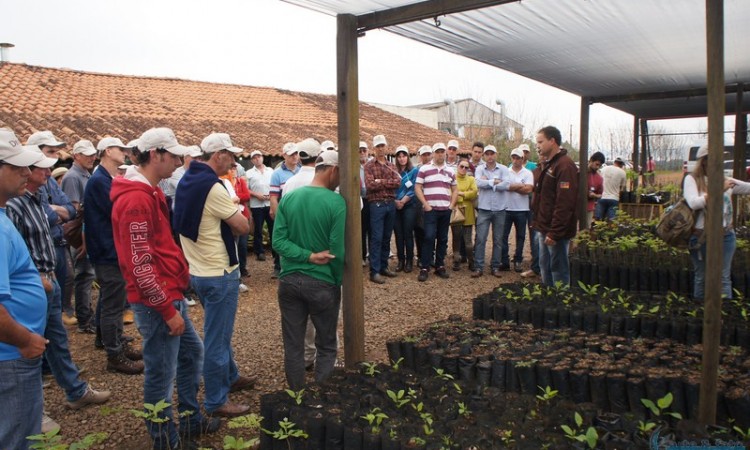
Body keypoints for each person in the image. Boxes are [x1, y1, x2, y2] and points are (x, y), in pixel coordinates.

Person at [111, 128, 218, 450]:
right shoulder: (135, 200)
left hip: (167, 294)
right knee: (160, 372)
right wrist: (166, 309)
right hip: (157, 301)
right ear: (155, 154)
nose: (177, 162)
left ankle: (188, 421)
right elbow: (139, 264)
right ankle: (166, 441)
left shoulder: (149, 192)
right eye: (173, 156)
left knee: (190, 354)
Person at [7, 144, 110, 432]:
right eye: (41, 168)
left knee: (55, 340)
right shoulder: (14, 205)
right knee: (28, 349)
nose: (46, 172)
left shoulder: (37, 198)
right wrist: (34, 276)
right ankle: (30, 413)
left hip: (48, 280)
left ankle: (74, 391)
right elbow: (15, 246)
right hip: (31, 283)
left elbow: (67, 213)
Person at [174, 132, 255, 418]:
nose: (233, 161)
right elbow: (243, 227)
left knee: (217, 333)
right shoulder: (214, 187)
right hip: (219, 271)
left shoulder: (187, 180)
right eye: (231, 155)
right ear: (218, 154)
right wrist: (238, 212)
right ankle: (216, 400)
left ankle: (230, 376)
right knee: (217, 340)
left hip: (197, 270)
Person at [273, 150, 345, 390]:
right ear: (333, 170)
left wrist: (304, 256)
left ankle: (297, 399)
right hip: (323, 283)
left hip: (289, 282)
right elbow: (337, 250)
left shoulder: (289, 198)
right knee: (326, 345)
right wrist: (334, 277)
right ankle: (321, 401)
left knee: (293, 346)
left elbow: (278, 242)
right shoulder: (336, 201)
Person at [0, 129, 49, 449]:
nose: (27, 173)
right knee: (18, 438)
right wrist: (26, 339)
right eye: (17, 167)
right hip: (12, 354)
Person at [85, 137, 144, 374]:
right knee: (113, 302)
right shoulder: (100, 181)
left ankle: (112, 341)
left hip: (108, 248)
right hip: (107, 250)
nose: (125, 153)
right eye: (121, 149)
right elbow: (117, 211)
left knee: (112, 299)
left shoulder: (104, 178)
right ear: (108, 151)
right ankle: (114, 354)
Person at [684, 144, 750, 300]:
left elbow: (747, 188)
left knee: (723, 278)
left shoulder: (726, 181)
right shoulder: (692, 179)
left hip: (726, 236)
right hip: (701, 237)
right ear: (705, 161)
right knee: (702, 278)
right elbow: (694, 203)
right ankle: (701, 315)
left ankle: (724, 317)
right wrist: (719, 189)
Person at [27, 132, 79, 329]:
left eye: (56, 152)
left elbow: (72, 210)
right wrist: (56, 212)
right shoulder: (26, 190)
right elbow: (46, 216)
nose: (55, 157)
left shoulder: (48, 180)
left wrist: (55, 211)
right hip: (41, 250)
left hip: (57, 243)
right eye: (50, 151)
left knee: (62, 287)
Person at [532, 126, 579, 286]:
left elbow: (565, 203)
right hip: (544, 227)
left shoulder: (565, 166)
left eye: (540, 141)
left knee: (558, 269)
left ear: (552, 141)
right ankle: (548, 299)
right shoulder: (550, 165)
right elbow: (544, 198)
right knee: (544, 266)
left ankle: (561, 303)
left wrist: (555, 232)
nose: (537, 146)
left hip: (555, 232)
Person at [61, 139, 98, 333]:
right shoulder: (73, 177)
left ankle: (86, 316)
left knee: (87, 275)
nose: (92, 157)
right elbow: (74, 212)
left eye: (93, 153)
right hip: (80, 235)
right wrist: (83, 239)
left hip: (86, 233)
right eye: (88, 154)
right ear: (76, 156)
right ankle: (84, 319)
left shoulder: (85, 174)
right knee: (84, 275)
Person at [414, 142, 458, 282]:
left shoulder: (450, 171)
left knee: (443, 239)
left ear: (445, 153)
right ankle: (425, 267)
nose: (440, 154)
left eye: (442, 151)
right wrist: (426, 205)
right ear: (433, 153)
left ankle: (440, 266)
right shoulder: (425, 169)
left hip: (445, 209)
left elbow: (455, 189)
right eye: (437, 151)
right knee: (428, 237)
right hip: (431, 210)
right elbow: (417, 187)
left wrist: (451, 206)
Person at [364, 135, 401, 284]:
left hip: (390, 204)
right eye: (378, 146)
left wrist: (381, 181)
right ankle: (375, 271)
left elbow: (398, 182)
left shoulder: (391, 165)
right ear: (374, 148)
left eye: (382, 146)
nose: (380, 149)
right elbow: (370, 185)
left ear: (386, 147)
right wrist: (387, 183)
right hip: (377, 204)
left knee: (386, 237)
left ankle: (384, 266)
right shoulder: (369, 165)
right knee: (376, 238)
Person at [472, 145, 510, 278]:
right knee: (481, 238)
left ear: (496, 154)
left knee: (498, 239)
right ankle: (478, 267)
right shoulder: (479, 168)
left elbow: (506, 185)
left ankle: (495, 266)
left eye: (492, 153)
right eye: (487, 154)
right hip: (484, 209)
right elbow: (477, 183)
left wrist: (487, 182)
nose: (489, 156)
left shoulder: (504, 169)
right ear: (484, 155)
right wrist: (494, 182)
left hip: (500, 209)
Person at [501, 147, 534, 273]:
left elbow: (528, 190)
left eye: (518, 158)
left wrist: (512, 186)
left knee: (520, 236)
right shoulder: (506, 171)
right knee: (503, 236)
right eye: (513, 157)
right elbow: (504, 186)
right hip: (507, 208)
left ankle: (518, 260)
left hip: (522, 209)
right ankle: (504, 261)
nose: (515, 160)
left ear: (522, 159)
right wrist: (521, 185)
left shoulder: (527, 173)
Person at [269, 143, 299, 278]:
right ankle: (279, 266)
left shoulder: (302, 170)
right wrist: (278, 215)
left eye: (296, 153)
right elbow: (273, 197)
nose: (295, 156)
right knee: (282, 240)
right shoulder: (277, 174)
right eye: (291, 154)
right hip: (285, 211)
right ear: (284, 155)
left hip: (300, 212)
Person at [221, 164, 252, 280]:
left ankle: (242, 268)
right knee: (234, 244)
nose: (232, 171)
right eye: (230, 168)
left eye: (234, 169)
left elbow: (247, 195)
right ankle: (236, 273)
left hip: (242, 214)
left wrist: (237, 198)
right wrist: (235, 199)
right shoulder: (224, 182)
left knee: (242, 245)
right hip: (230, 217)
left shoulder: (239, 181)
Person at [393, 145, 418, 273]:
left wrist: (403, 200)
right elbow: (390, 187)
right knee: (398, 234)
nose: (402, 159)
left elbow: (414, 188)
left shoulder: (414, 171)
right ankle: (400, 260)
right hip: (396, 205)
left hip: (409, 205)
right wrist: (396, 201)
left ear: (408, 157)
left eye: (404, 156)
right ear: (396, 158)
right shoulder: (393, 171)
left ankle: (409, 260)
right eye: (399, 156)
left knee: (408, 233)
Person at [246, 150, 273, 262]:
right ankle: (259, 252)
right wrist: (256, 194)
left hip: (270, 203)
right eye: (254, 157)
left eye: (259, 156)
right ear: (252, 160)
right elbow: (246, 189)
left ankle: (275, 250)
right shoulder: (249, 173)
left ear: (262, 157)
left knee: (273, 228)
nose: (257, 159)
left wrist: (271, 195)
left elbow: (275, 185)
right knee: (258, 229)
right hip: (256, 205)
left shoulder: (271, 171)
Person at [452, 160, 477, 271]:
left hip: (468, 212)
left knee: (468, 240)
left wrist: (460, 193)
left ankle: (471, 261)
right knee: (456, 238)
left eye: (466, 167)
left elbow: (475, 192)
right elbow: (450, 193)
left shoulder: (471, 179)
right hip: (456, 210)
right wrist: (466, 194)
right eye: (461, 166)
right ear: (457, 166)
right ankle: (456, 260)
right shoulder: (452, 178)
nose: (463, 169)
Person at [413, 145, 432, 265]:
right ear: (420, 156)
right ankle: (420, 256)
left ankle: (430, 256)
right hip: (419, 202)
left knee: (431, 231)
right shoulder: (416, 169)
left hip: (432, 201)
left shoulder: (435, 168)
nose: (426, 157)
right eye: (423, 155)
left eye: (428, 154)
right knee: (419, 230)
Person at [595, 157, 627, 221]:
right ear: (622, 164)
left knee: (598, 219)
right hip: (614, 198)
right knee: (612, 220)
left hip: (602, 197)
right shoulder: (622, 173)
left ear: (614, 162)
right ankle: (610, 229)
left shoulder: (604, 169)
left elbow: (598, 181)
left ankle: (597, 230)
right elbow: (621, 188)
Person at [359, 141, 371, 267]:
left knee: (373, 229)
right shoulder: (353, 165)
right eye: (360, 151)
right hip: (360, 200)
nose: (362, 153)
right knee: (361, 230)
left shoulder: (372, 164)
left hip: (372, 199)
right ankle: (362, 256)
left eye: (364, 150)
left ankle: (373, 256)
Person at [586, 152, 605, 228]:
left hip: (589, 208)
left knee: (586, 229)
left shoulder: (599, 178)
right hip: (575, 206)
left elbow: (600, 194)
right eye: (597, 164)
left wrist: (595, 195)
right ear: (591, 160)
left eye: (600, 166)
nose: (597, 167)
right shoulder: (580, 172)